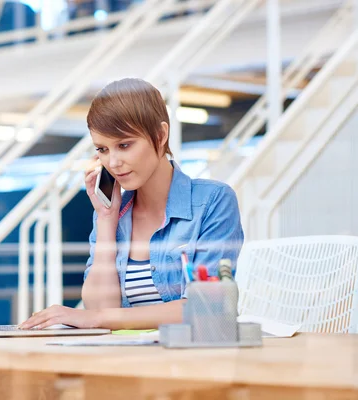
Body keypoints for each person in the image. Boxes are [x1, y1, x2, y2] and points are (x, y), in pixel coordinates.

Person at [19, 78, 244, 330]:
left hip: (187, 359)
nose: (113, 163)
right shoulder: (113, 214)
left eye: (124, 145)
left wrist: (101, 318)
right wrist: (106, 219)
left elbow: (206, 307)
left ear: (160, 136)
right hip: (126, 357)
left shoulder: (212, 201)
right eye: (102, 149)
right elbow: (98, 309)